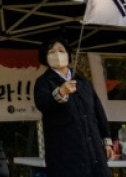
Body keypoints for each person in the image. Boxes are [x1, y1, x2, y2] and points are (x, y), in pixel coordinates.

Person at [34, 38, 112, 176]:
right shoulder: (44, 82)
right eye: (51, 52)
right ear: (45, 57)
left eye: (61, 51)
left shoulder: (82, 81)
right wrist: (60, 92)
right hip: (65, 152)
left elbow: (98, 111)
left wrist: (107, 140)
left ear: (68, 54)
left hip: (93, 149)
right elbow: (42, 104)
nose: (57, 54)